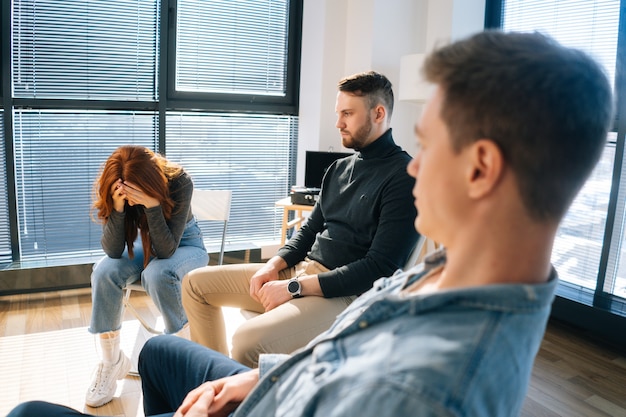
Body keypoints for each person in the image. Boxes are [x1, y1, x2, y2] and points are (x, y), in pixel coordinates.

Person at [7, 29, 613, 417]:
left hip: (293, 365)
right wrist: (261, 376)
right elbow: (344, 344)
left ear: (480, 168)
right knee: (167, 349)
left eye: (429, 146)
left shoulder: (424, 391)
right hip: (276, 383)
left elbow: (369, 280)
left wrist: (290, 295)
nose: (417, 166)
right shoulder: (455, 266)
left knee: (31, 415)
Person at [181, 70, 419, 367]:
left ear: (379, 113)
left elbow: (379, 268)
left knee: (246, 342)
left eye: (347, 113)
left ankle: (240, 401)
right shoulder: (338, 169)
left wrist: (294, 288)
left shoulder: (404, 177)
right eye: (338, 113)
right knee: (194, 285)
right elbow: (308, 232)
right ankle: (217, 382)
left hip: (344, 294)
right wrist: (272, 266)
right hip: (301, 272)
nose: (338, 123)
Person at [84, 145, 209, 408]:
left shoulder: (179, 181)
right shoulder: (119, 185)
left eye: (134, 192)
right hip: (145, 242)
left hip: (184, 243)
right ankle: (111, 363)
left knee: (158, 273)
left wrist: (151, 204)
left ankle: (184, 361)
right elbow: (113, 250)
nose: (130, 198)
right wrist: (118, 208)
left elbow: (166, 250)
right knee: (104, 270)